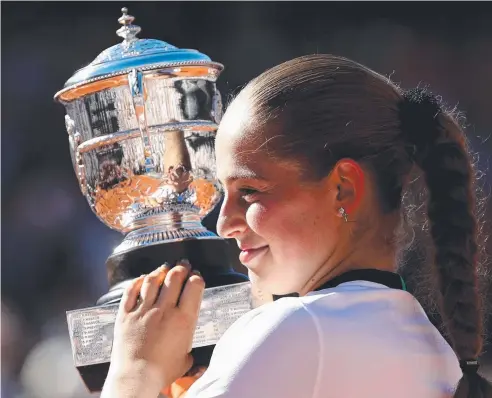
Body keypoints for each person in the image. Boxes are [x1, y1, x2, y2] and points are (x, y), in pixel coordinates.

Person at [100, 54, 492, 398]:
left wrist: (134, 373)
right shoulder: (432, 350)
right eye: (223, 192)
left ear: (343, 189)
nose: (223, 224)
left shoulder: (296, 329)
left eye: (250, 191)